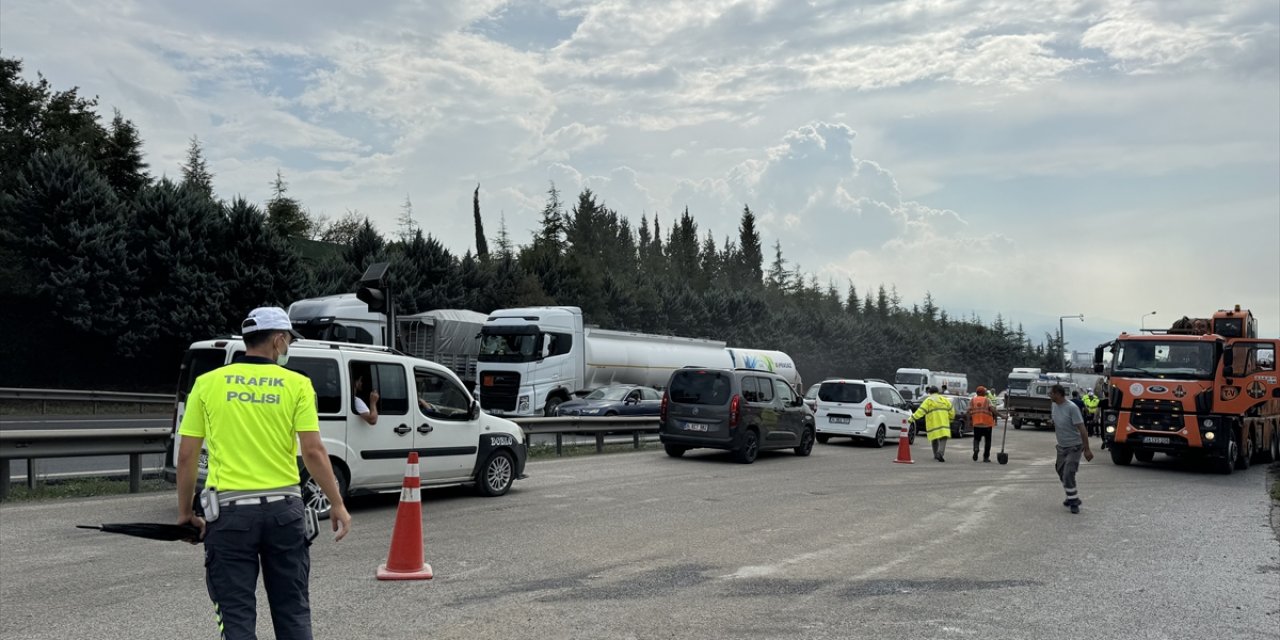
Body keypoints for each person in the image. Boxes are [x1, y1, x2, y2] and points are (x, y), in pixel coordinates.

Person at [176, 307, 352, 640]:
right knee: (293, 610)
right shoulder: (298, 384)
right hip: (284, 512)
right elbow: (313, 451)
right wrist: (337, 503)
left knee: (237, 616)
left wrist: (186, 513)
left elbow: (187, 456)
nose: (287, 349)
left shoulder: (207, 383)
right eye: (287, 343)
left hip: (228, 515)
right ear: (278, 339)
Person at [1049, 383, 1094, 514]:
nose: (1049, 395)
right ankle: (1071, 495)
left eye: (1051, 393)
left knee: (1069, 473)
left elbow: (1082, 429)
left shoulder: (1072, 408)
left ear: (1058, 394)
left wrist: (1087, 449)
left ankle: (1074, 502)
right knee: (1060, 471)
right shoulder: (1054, 405)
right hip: (1061, 447)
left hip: (1074, 446)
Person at [913, 386, 955, 462]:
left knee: (934, 439)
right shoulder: (944, 400)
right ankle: (940, 453)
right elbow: (952, 410)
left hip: (933, 425)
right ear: (938, 392)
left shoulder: (928, 400)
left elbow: (921, 411)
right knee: (943, 438)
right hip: (943, 424)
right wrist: (951, 419)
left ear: (929, 392)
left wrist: (912, 418)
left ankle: (936, 454)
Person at [969, 386, 997, 462]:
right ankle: (986, 457)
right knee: (988, 440)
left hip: (977, 424)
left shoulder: (972, 400)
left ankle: (976, 448)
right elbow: (993, 410)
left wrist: (970, 421)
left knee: (976, 439)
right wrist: (1002, 416)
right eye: (985, 391)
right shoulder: (987, 400)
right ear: (982, 392)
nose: (986, 392)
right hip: (987, 424)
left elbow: (968, 411)